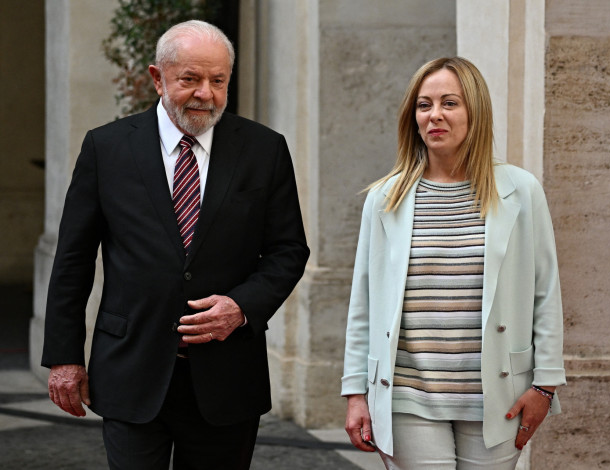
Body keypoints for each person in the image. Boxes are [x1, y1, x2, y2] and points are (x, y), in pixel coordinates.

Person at [42, 20, 309, 469]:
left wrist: (241, 307)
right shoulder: (107, 148)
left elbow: (289, 250)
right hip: (131, 368)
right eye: (190, 79)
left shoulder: (264, 150)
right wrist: (64, 357)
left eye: (218, 81)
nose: (206, 93)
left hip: (227, 375)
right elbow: (73, 259)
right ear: (157, 78)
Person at [341, 57, 566, 469]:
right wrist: (356, 391)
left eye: (450, 103)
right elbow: (364, 302)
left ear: (475, 112)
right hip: (407, 394)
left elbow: (545, 292)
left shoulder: (521, 191)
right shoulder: (385, 199)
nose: (435, 115)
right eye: (424, 105)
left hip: (499, 396)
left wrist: (545, 387)